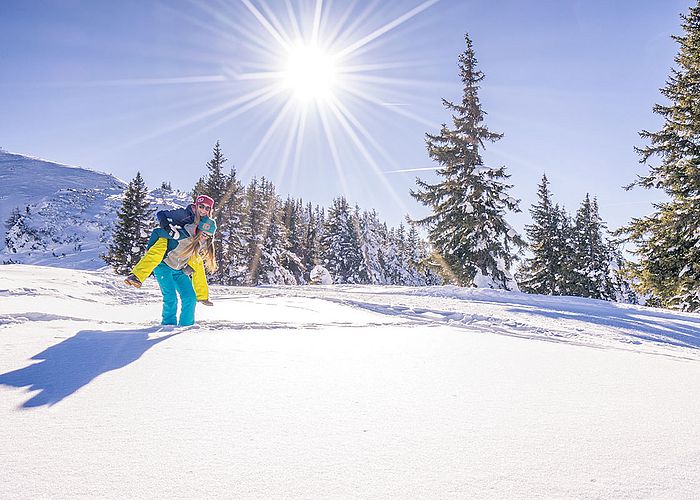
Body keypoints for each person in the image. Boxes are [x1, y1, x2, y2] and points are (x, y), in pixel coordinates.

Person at [126, 215, 218, 327]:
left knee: (190, 297)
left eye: (208, 236)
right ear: (198, 229)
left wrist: (201, 293)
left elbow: (196, 263)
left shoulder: (200, 243)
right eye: (204, 234)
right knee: (171, 298)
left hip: (179, 270)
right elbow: (156, 242)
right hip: (164, 266)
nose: (205, 238)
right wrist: (140, 271)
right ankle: (168, 326)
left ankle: (187, 326)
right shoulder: (181, 235)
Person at [124, 194, 215, 288]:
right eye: (201, 206)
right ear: (196, 205)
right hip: (167, 237)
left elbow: (202, 241)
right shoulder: (185, 214)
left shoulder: (205, 222)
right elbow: (160, 214)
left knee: (197, 260)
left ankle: (202, 296)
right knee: (157, 252)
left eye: (207, 208)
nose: (203, 210)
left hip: (180, 245)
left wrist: (188, 268)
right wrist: (168, 229)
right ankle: (136, 276)